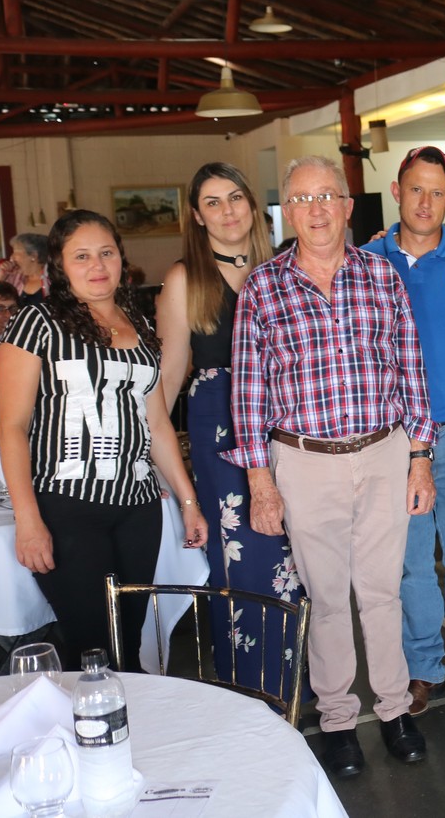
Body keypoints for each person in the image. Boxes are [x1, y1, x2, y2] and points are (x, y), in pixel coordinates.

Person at [223, 155, 433, 774]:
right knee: (328, 597)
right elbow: (248, 392)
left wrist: (420, 457)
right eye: (301, 199)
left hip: (384, 451)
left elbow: (411, 371)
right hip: (304, 460)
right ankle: (339, 720)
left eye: (326, 197)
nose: (315, 210)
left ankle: (395, 710)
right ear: (287, 214)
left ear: (347, 206)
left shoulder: (382, 276)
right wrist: (260, 480)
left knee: (382, 592)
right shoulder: (263, 287)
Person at [0, 209, 207, 671]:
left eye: (106, 253)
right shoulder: (37, 322)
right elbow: (11, 426)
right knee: (92, 647)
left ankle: (127, 717)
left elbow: (157, 424)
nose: (97, 265)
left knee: (128, 643)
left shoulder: (139, 325)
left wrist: (188, 502)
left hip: (139, 509)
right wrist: (27, 519)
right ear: (60, 265)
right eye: (82, 256)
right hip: (67, 505)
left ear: (120, 258)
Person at [360, 146, 445, 718]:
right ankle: (421, 668)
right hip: (393, 439)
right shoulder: (365, 261)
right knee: (412, 563)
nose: (425, 202)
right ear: (396, 191)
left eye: (437, 192)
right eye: (415, 189)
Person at [154, 162, 298, 692]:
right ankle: (252, 691)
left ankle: (301, 689)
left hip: (287, 421)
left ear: (253, 206)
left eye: (235, 197)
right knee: (243, 559)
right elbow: (166, 383)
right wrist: (161, 468)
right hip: (221, 431)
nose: (227, 211)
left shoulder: (286, 266)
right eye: (212, 202)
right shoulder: (185, 278)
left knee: (298, 556)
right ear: (197, 216)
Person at [0, 232, 50, 306]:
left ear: (33, 256)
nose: (11, 257)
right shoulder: (15, 279)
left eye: (15, 252)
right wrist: (1, 277)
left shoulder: (52, 280)